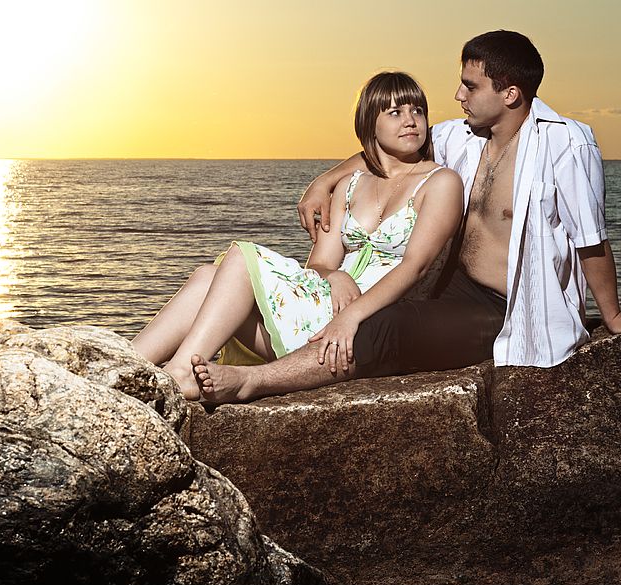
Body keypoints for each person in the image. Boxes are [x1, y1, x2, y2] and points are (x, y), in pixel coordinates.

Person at [191, 29, 621, 402]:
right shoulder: (463, 135)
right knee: (373, 301)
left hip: (502, 305)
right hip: (449, 285)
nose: (458, 94)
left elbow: (590, 239)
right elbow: (389, 147)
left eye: (471, 86)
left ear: (511, 93)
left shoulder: (565, 143)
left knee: (382, 327)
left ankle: (251, 382)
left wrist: (612, 315)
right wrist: (325, 180)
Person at [131, 72, 463, 400]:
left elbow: (414, 268)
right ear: (369, 124)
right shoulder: (351, 185)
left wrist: (349, 317)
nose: (410, 121)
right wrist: (335, 276)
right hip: (324, 308)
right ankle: (128, 363)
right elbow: (319, 262)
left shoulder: (440, 182)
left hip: (369, 323)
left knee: (241, 256)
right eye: (395, 112)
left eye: (417, 110)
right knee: (207, 277)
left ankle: (180, 372)